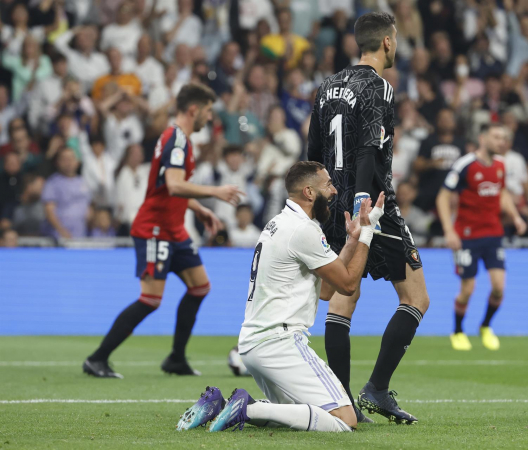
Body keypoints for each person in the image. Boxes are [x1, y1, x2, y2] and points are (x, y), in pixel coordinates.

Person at [177, 162, 385, 433]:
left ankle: (221, 404)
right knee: (345, 419)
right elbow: (347, 286)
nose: (334, 191)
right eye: (328, 185)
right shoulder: (303, 230)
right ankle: (247, 407)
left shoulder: (279, 223)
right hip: (280, 343)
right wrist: (368, 231)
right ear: (309, 192)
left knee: (291, 416)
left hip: (253, 345)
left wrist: (350, 243)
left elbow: (324, 291)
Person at [307, 12, 429, 425]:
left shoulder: (326, 87)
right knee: (416, 298)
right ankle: (375, 388)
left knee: (343, 295)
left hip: (331, 202)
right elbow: (367, 149)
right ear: (388, 43)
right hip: (372, 204)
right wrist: (365, 204)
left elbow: (312, 152)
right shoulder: (379, 86)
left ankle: (342, 402)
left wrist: (320, 204)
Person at [83, 83, 243, 379]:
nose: (209, 118)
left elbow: (168, 187)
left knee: (200, 287)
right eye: (208, 111)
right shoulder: (178, 140)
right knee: (151, 299)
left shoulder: (177, 138)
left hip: (174, 229)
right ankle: (97, 358)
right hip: (154, 229)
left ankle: (176, 359)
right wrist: (215, 192)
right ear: (194, 110)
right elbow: (173, 184)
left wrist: (197, 208)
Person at [436, 124, 526, 352]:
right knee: (468, 289)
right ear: (482, 137)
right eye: (497, 136)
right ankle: (457, 331)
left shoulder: (500, 166)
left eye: (504, 138)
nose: (501, 141)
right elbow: (443, 197)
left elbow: (502, 192)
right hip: (466, 237)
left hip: (493, 233)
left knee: (499, 288)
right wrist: (449, 230)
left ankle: (485, 326)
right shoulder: (465, 165)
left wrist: (515, 216)